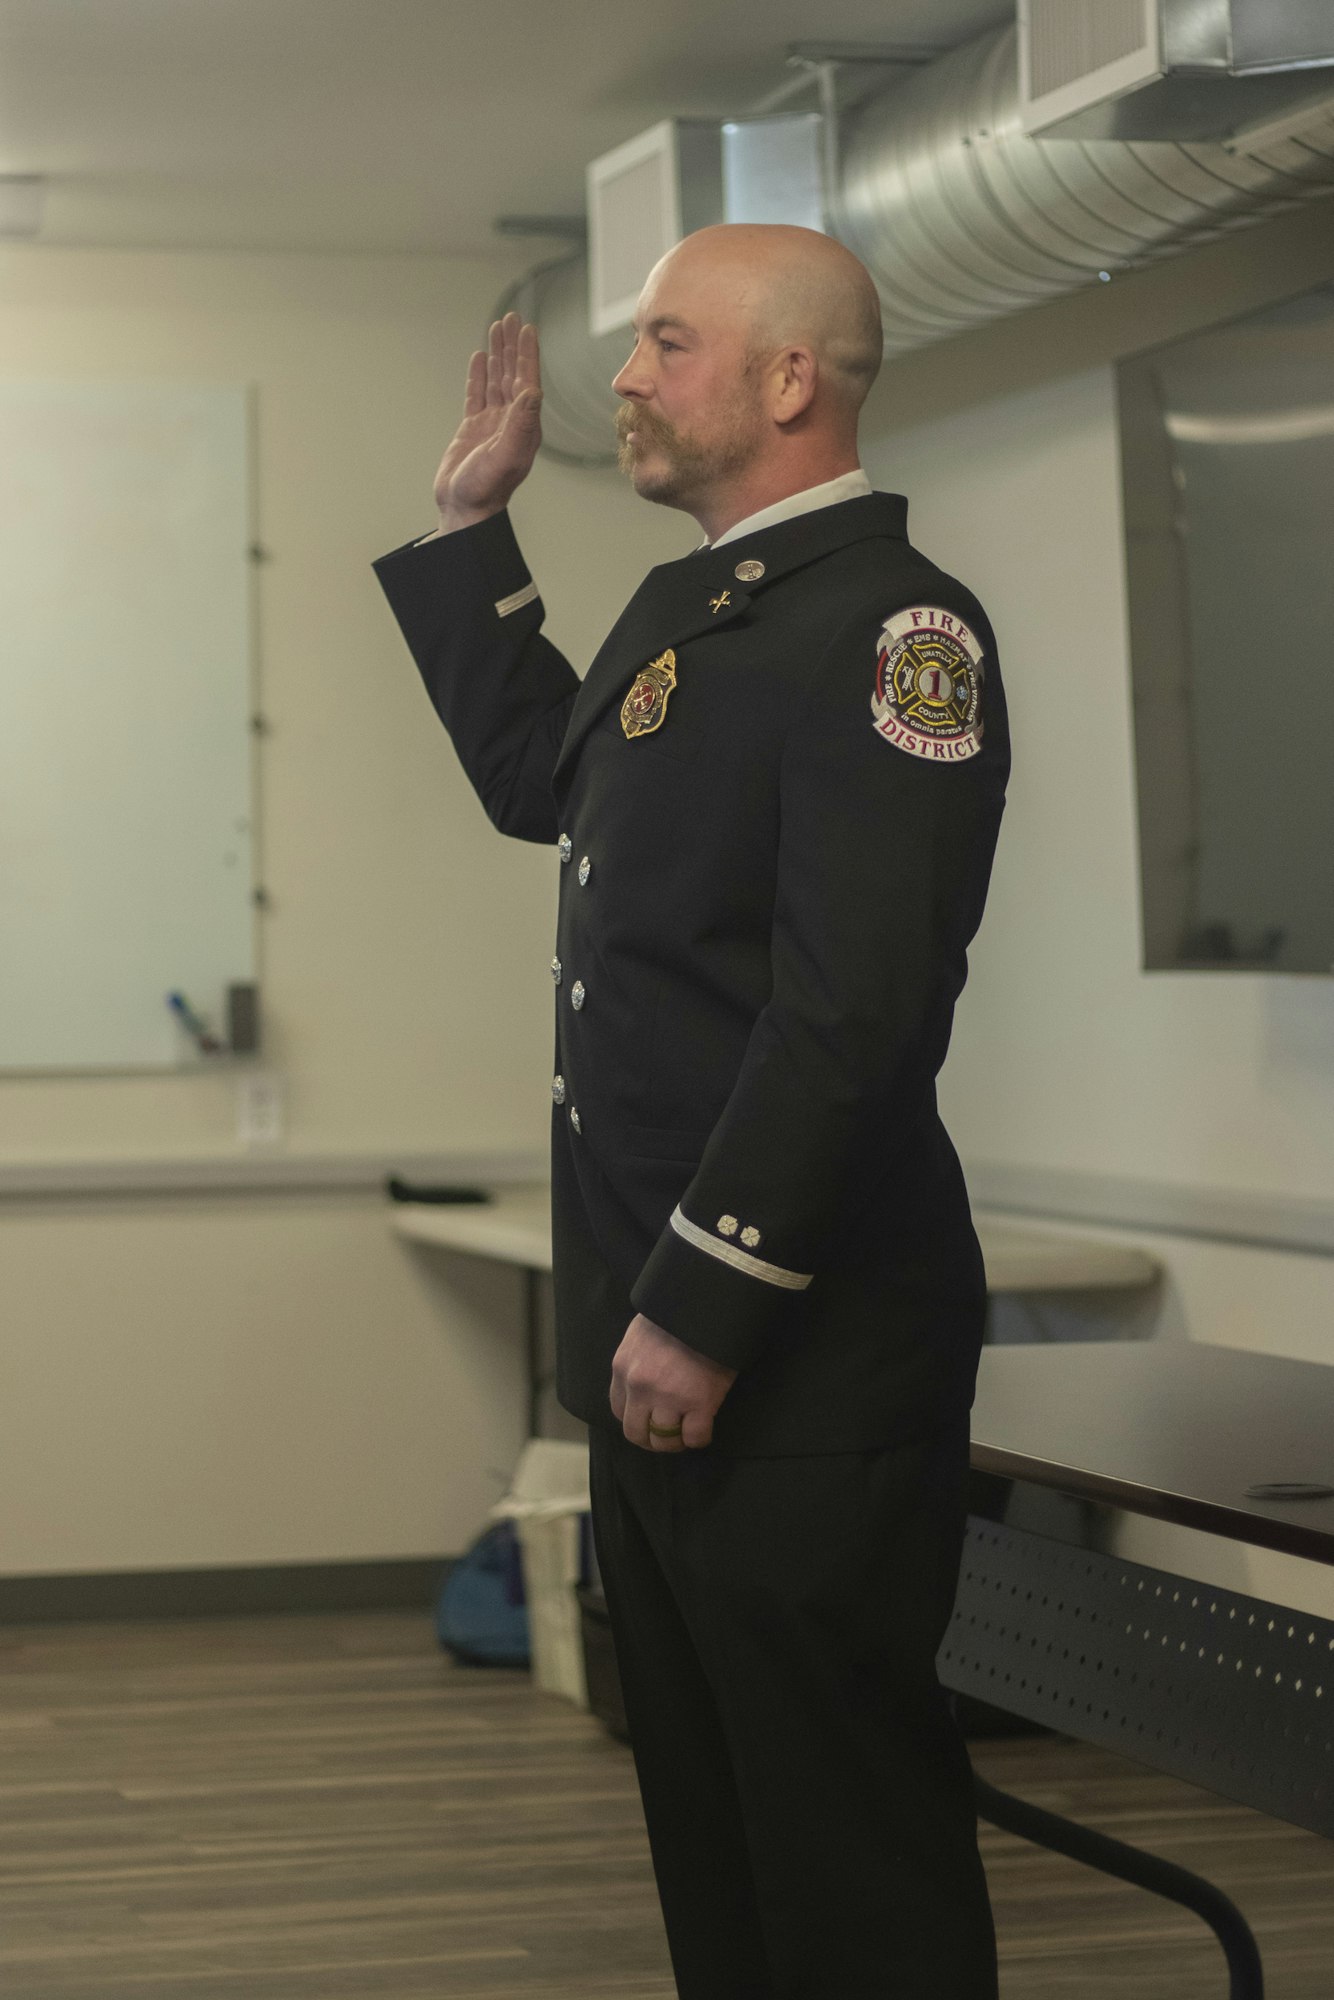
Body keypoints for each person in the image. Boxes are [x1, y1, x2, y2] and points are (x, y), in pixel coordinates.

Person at [373, 222, 1008, 1999]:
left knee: (839, 1846)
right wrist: (465, 536)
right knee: (720, 1825)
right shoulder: (702, 608)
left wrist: (708, 1295)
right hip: (659, 1337)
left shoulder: (896, 633)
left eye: (664, 342)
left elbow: (853, 1015)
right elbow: (542, 783)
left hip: (792, 1347)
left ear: (790, 378)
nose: (626, 382)